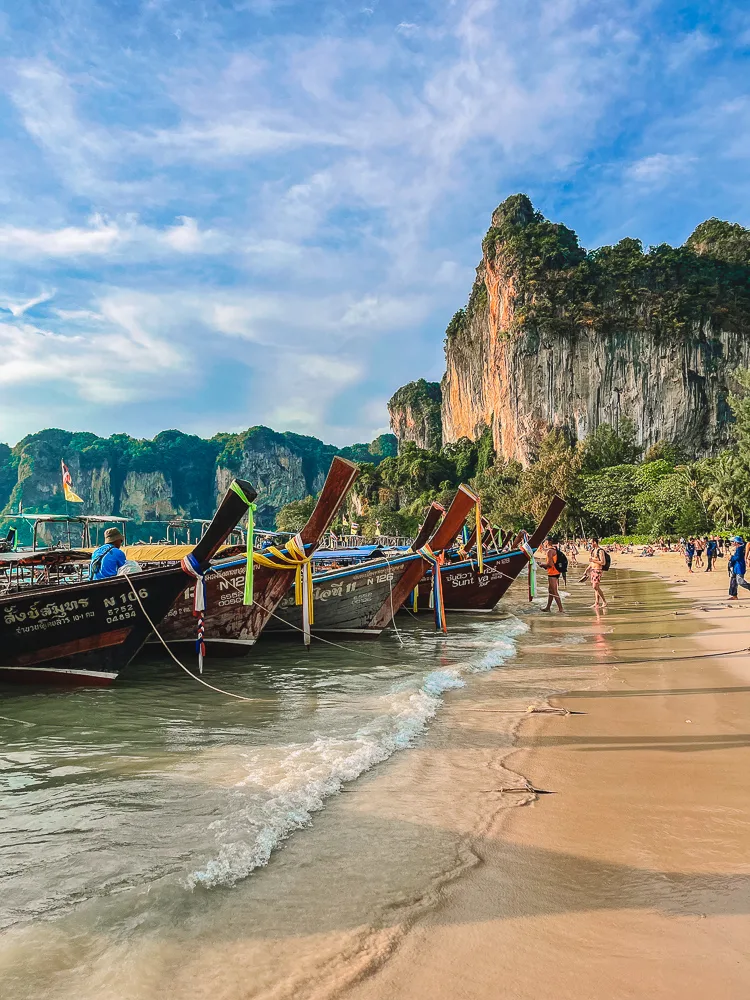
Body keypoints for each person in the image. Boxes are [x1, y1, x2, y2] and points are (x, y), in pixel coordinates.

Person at [542, 535, 564, 613]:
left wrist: (542, 565)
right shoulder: (555, 549)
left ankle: (561, 609)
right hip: (556, 572)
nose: (544, 543)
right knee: (550, 590)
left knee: (554, 591)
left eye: (544, 542)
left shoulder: (549, 551)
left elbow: (550, 565)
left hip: (553, 573)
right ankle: (548, 607)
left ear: (548, 542)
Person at [588, 537, 607, 608]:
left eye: (591, 543)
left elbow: (603, 562)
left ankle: (604, 601)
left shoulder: (600, 551)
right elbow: (591, 563)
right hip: (593, 570)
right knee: (596, 587)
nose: (590, 544)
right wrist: (587, 570)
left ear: (595, 542)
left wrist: (593, 561)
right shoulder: (593, 550)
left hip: (598, 570)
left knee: (595, 586)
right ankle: (596, 603)